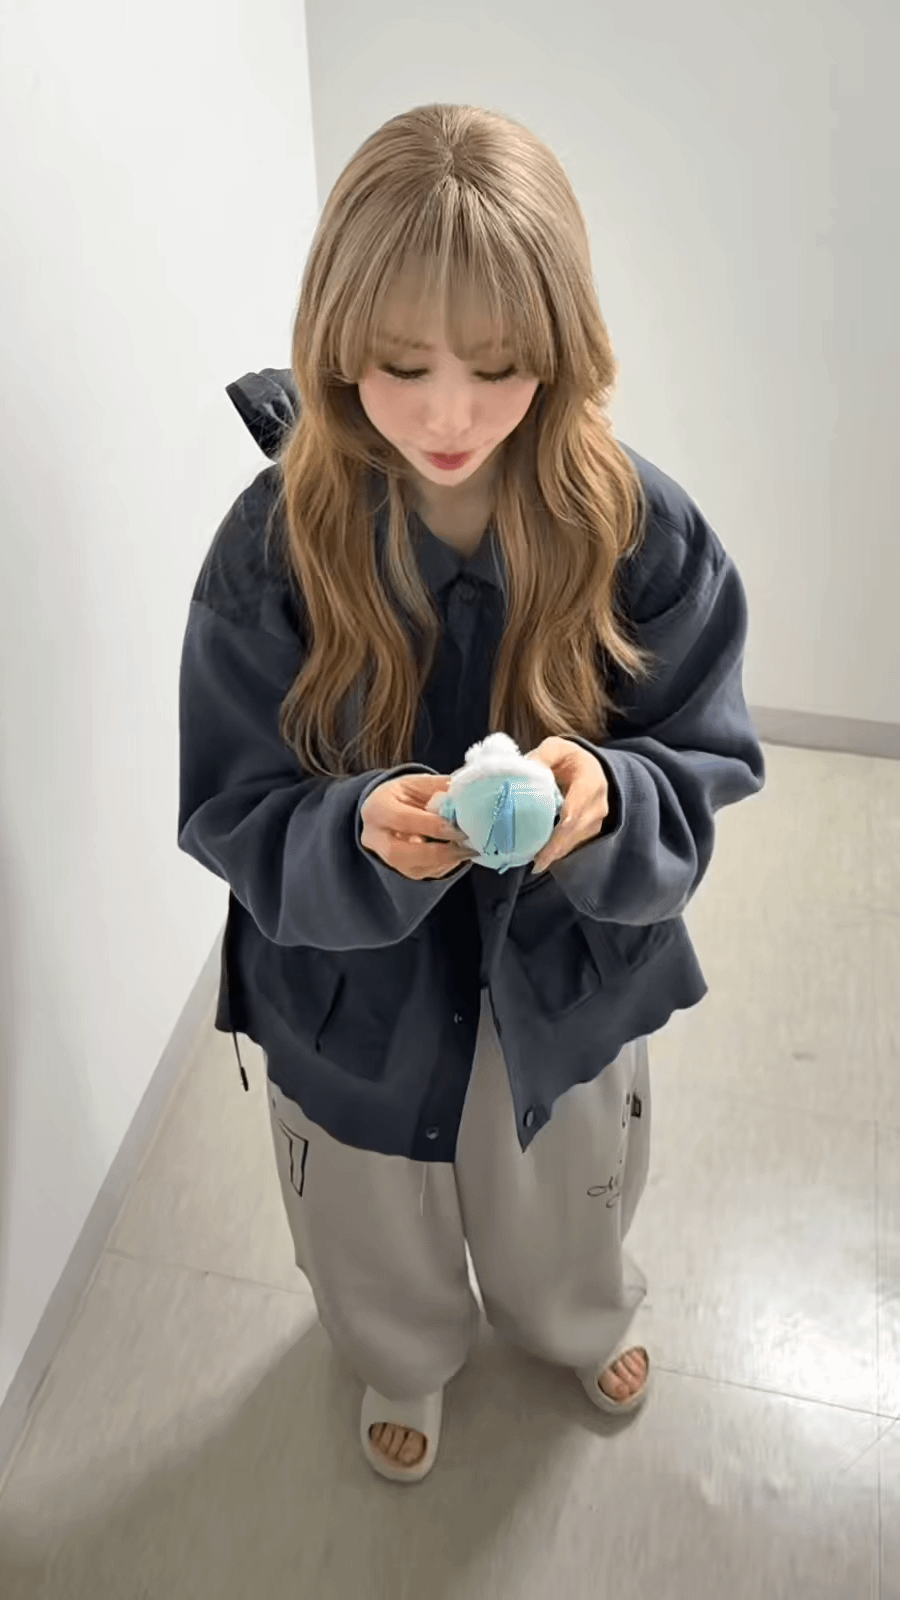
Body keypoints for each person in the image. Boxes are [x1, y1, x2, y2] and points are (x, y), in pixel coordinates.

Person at [178, 102, 765, 1484]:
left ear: (562, 349)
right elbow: (230, 797)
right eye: (403, 365)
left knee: (570, 1185)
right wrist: (349, 831)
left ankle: (576, 1316)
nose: (449, 414)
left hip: (564, 972)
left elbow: (706, 753)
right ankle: (402, 1353)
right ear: (337, 342)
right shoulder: (273, 549)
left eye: (498, 367)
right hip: (350, 991)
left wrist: (609, 795)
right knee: (367, 1209)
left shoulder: (639, 530)